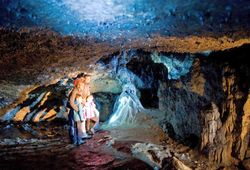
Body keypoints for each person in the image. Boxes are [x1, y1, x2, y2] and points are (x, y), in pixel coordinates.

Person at [68, 73, 86, 145]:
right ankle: (77, 140)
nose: (83, 86)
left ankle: (77, 140)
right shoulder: (75, 90)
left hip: (76, 111)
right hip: (75, 112)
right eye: (82, 84)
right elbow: (71, 102)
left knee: (77, 126)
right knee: (76, 126)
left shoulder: (78, 91)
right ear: (78, 84)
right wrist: (78, 110)